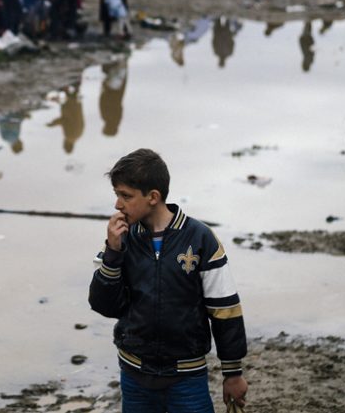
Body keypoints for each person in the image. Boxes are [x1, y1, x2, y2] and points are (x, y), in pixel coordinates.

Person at [89, 148, 248, 413]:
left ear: (153, 197)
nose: (118, 205)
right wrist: (113, 253)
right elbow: (104, 306)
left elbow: (225, 309)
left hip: (187, 377)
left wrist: (233, 373)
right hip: (134, 374)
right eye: (117, 195)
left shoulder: (200, 239)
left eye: (125, 196)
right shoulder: (122, 239)